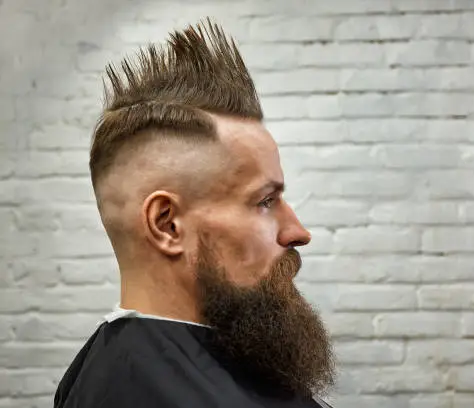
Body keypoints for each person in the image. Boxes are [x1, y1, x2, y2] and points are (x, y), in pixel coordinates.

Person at [54, 18, 336, 408]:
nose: (297, 231)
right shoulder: (136, 392)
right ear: (167, 225)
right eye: (265, 202)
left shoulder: (222, 356)